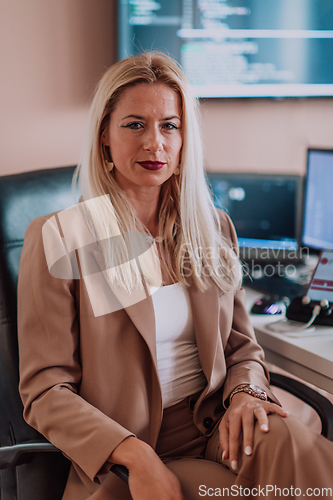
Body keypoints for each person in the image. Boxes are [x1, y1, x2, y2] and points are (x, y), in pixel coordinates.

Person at [17, 52, 333, 500]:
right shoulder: (61, 237)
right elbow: (46, 390)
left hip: (216, 428)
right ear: (105, 136)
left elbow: (242, 347)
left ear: (186, 139)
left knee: (289, 442)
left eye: (169, 125)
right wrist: (136, 454)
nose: (155, 143)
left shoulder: (214, 227)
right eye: (134, 125)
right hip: (125, 456)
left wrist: (246, 392)